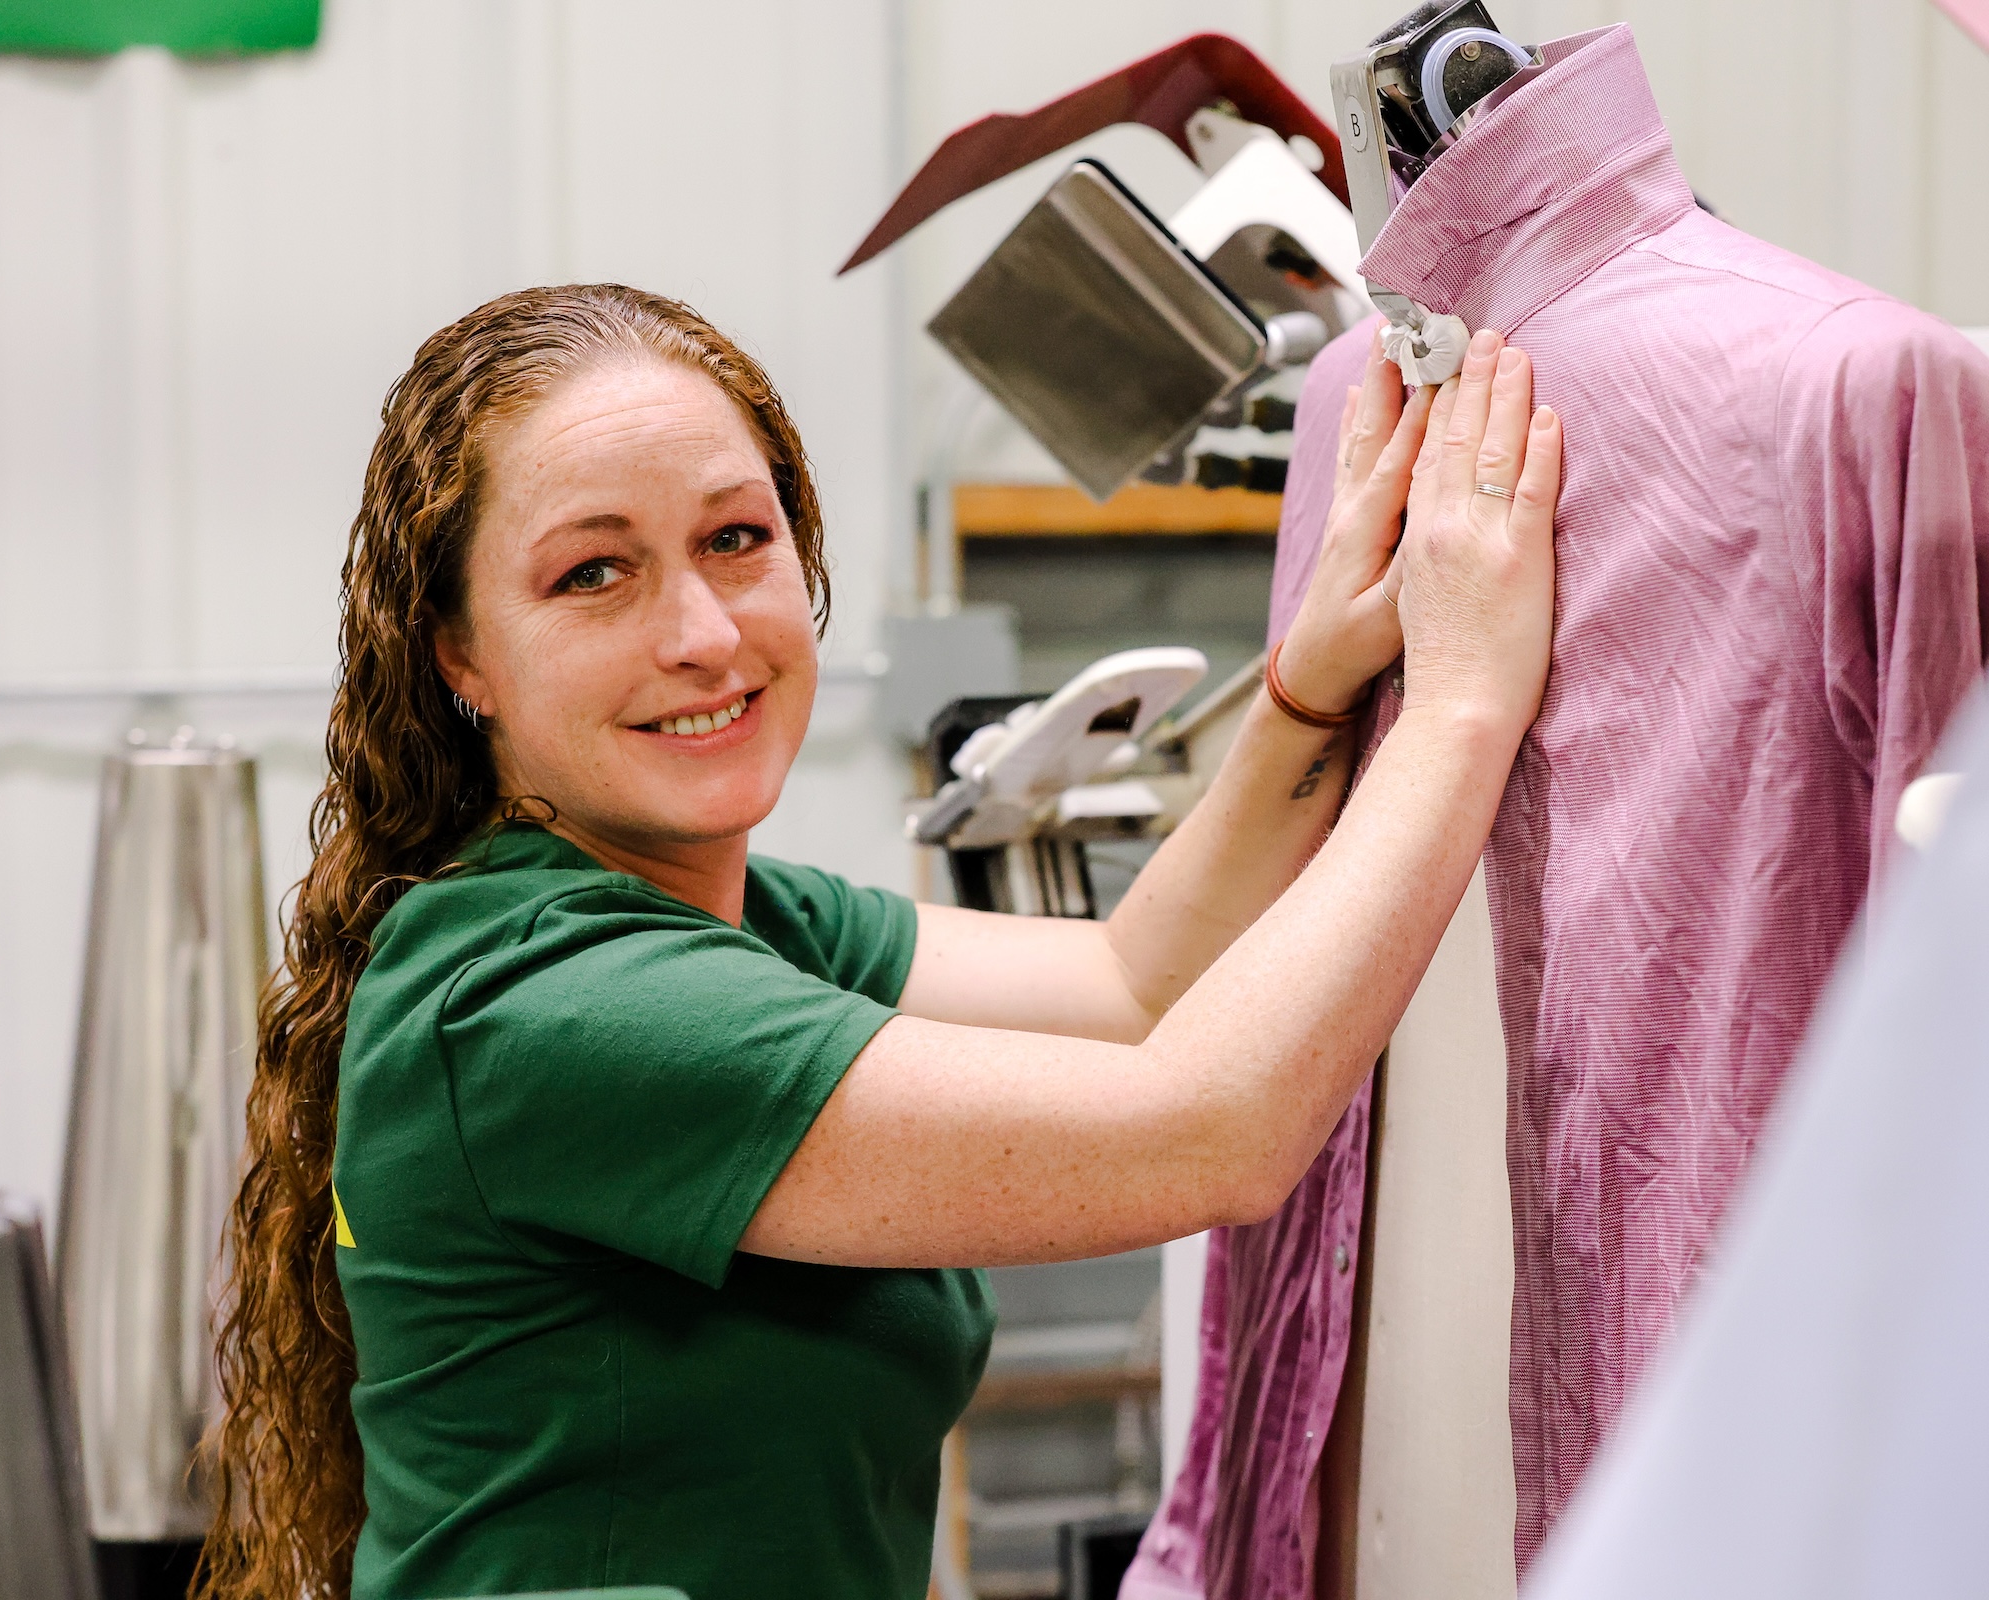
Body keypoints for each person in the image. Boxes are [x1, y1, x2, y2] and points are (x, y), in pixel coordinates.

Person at [196, 284, 1559, 1600]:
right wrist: (1458, 705)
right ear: (458, 659)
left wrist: (1309, 689)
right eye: (593, 574)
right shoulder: (546, 1004)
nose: (704, 633)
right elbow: (1207, 1132)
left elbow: (1131, 983)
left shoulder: (742, 920)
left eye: (737, 539)